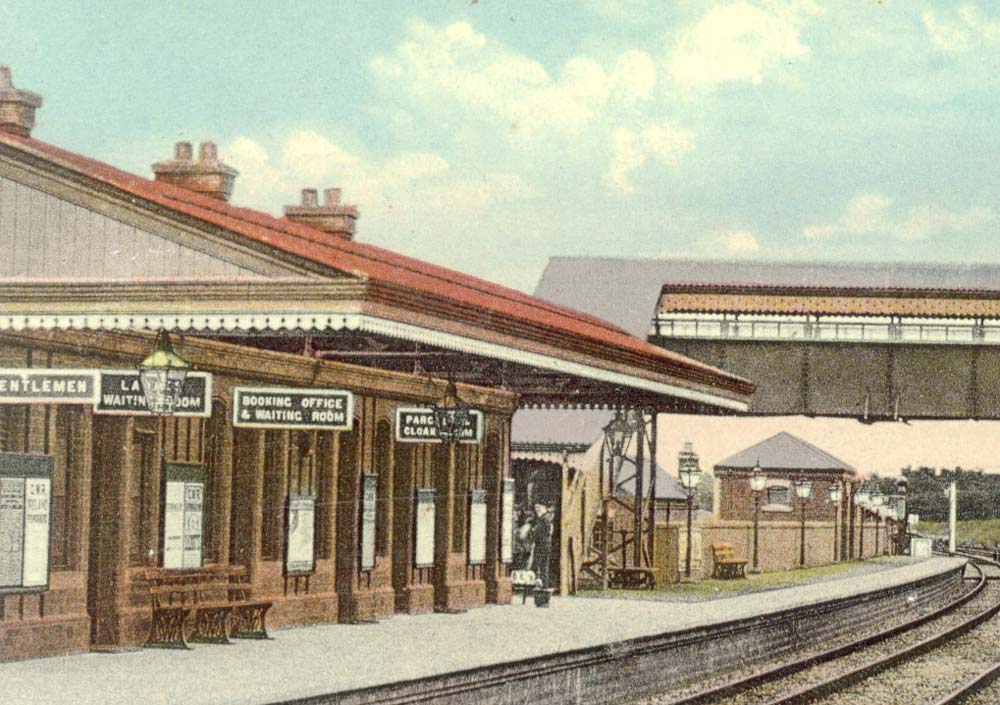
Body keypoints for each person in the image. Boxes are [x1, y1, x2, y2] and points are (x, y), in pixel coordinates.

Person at [528, 501, 554, 590]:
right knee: (542, 565)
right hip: (544, 544)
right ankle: (543, 585)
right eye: (535, 508)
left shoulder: (544, 518)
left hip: (542, 544)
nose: (537, 509)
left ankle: (538, 585)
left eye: (539, 507)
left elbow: (540, 532)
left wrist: (532, 531)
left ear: (544, 508)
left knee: (538, 565)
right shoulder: (543, 518)